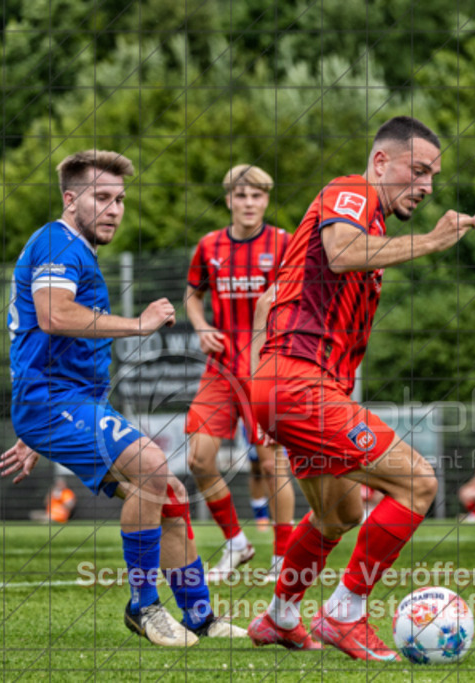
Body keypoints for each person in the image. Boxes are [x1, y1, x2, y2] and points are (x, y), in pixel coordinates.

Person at [246, 116, 475, 660]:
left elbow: (266, 303)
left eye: (432, 177)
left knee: (339, 515)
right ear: (381, 162)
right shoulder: (350, 191)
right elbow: (342, 252)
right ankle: (343, 613)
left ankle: (280, 618)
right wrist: (431, 242)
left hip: (288, 385)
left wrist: (265, 394)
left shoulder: (364, 217)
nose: (424, 186)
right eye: (417, 171)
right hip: (300, 383)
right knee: (419, 484)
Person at [0, 149, 245, 647]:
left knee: (168, 493)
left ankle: (199, 616)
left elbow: (53, 340)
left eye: (120, 199)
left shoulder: (74, 250)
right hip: (52, 400)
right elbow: (53, 315)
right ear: (70, 200)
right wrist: (138, 325)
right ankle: (143, 605)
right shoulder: (56, 242)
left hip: (61, 402)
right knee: (153, 468)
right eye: (102, 198)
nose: (114, 209)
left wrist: (36, 434)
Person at [183, 164, 294, 582]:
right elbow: (192, 296)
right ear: (229, 199)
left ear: (266, 200)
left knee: (271, 465)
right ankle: (236, 543)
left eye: (257, 196)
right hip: (220, 369)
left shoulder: (283, 243)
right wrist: (201, 326)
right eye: (241, 195)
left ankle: (284, 560)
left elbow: (298, 295)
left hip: (266, 369)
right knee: (199, 457)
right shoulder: (210, 245)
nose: (249, 203)